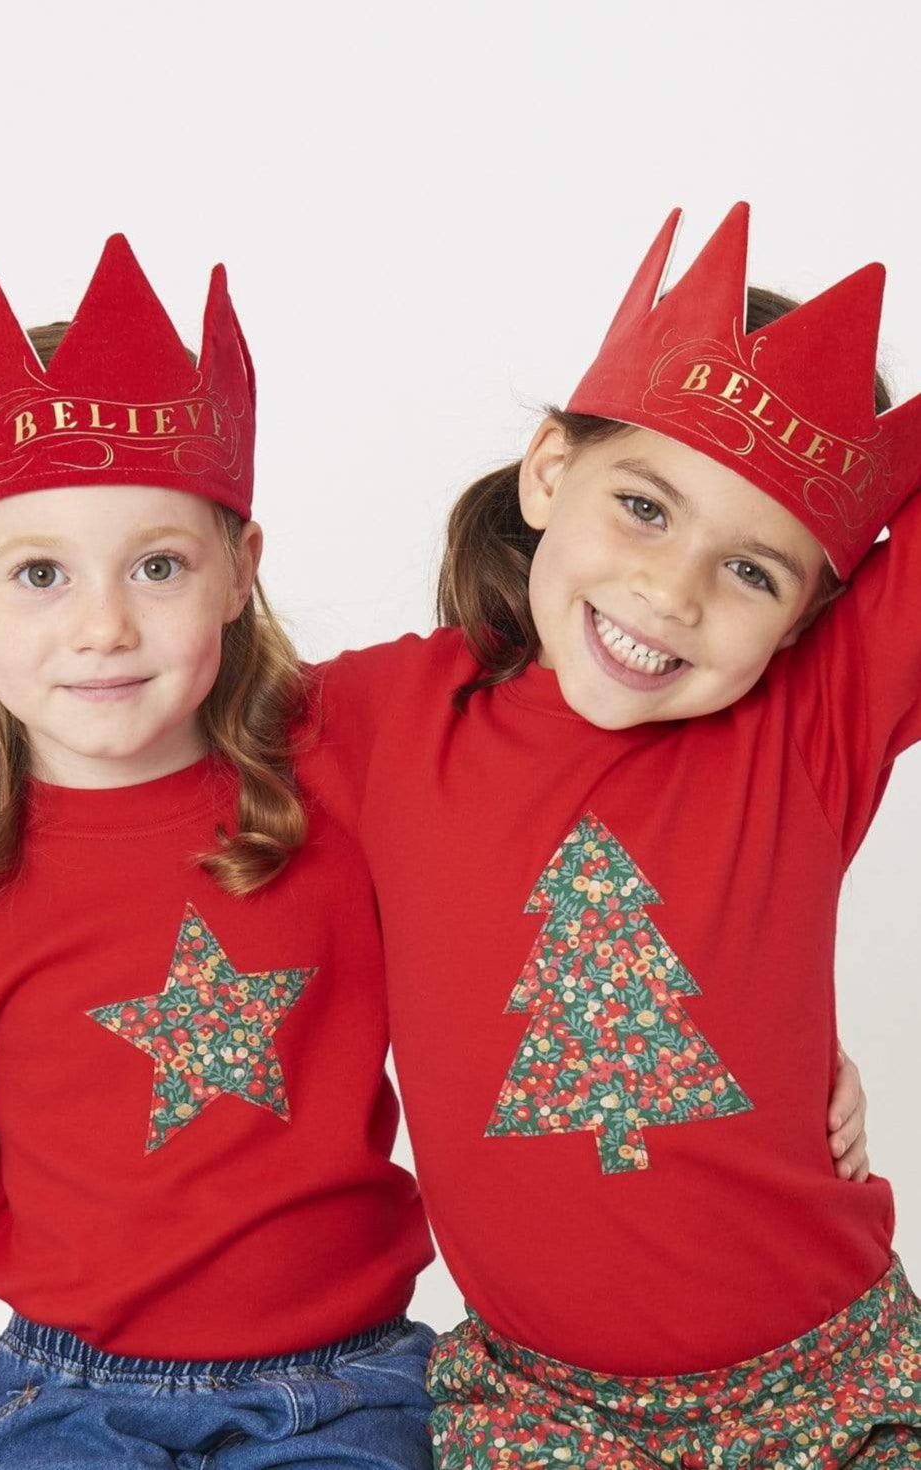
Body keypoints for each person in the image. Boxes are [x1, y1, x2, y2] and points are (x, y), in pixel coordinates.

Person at [306, 204, 921, 1465]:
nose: (671, 590)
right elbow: (138, 732)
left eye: (753, 571)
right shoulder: (379, 719)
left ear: (810, 620)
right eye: (643, 505)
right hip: (537, 1409)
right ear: (548, 472)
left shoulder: (811, 728)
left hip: (834, 1380)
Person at [0, 237, 434, 1467]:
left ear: (237, 573)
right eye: (39, 573)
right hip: (67, 1395)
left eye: (158, 565)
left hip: (351, 1386)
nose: (103, 625)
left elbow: (574, 760)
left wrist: (762, 1033)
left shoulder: (350, 747)